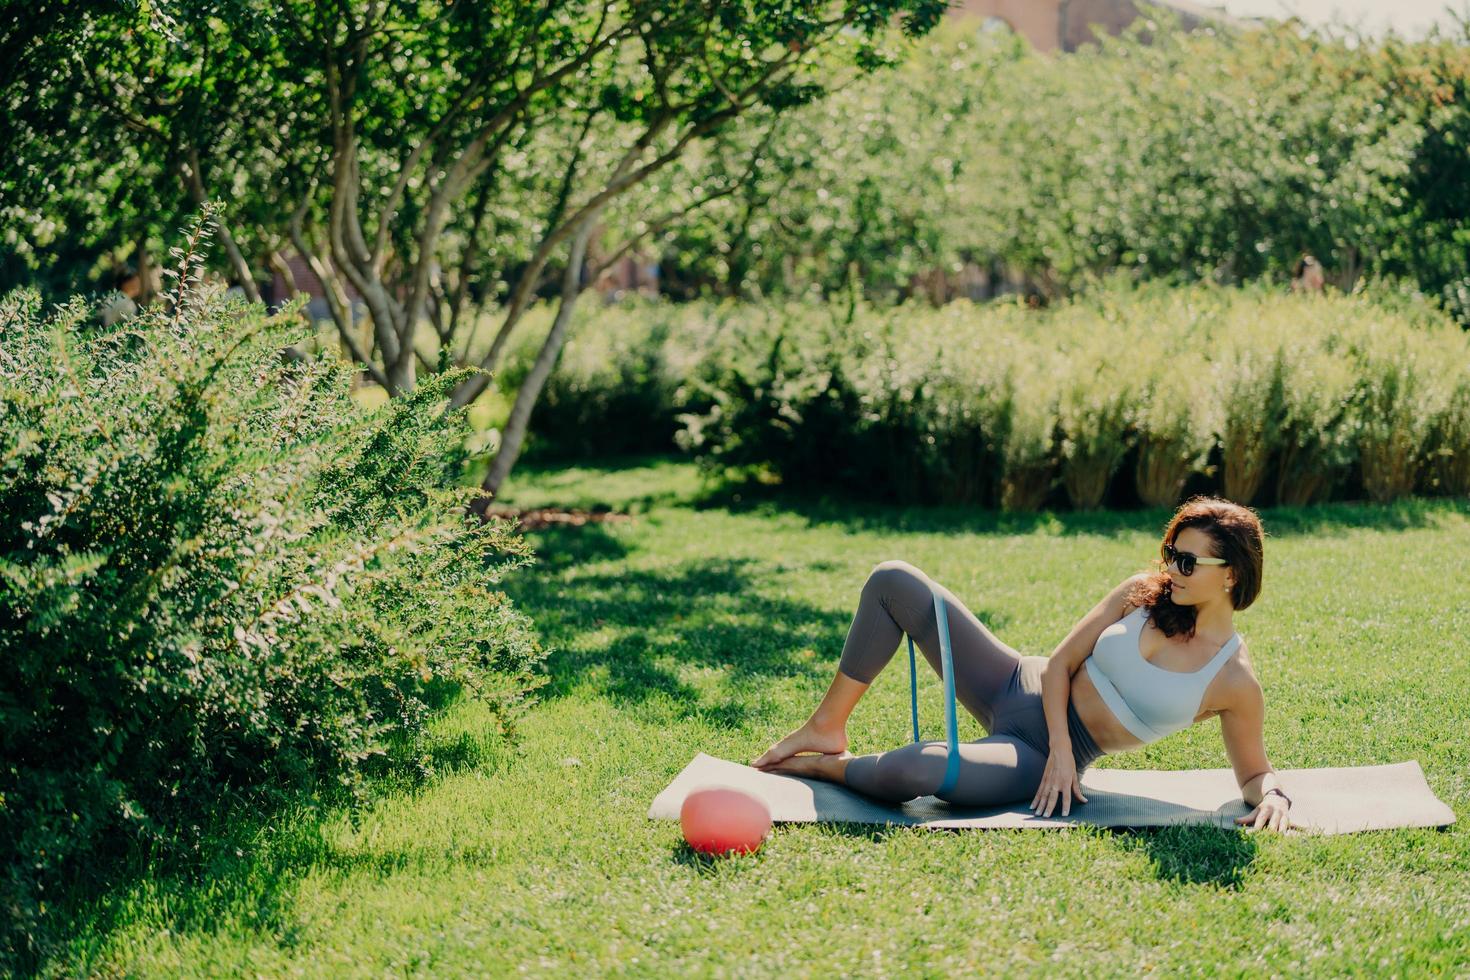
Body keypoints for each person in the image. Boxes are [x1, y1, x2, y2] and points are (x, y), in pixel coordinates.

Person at [751, 496, 1295, 834]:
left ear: (1231, 575)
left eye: (1186, 561)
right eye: (1169, 553)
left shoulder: (1232, 679)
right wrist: (1062, 746)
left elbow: (1252, 771)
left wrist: (1271, 794)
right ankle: (827, 727)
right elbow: (1059, 664)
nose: (1170, 569)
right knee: (894, 581)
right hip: (1018, 683)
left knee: (913, 771)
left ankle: (828, 766)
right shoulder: (1143, 593)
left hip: (1032, 757)